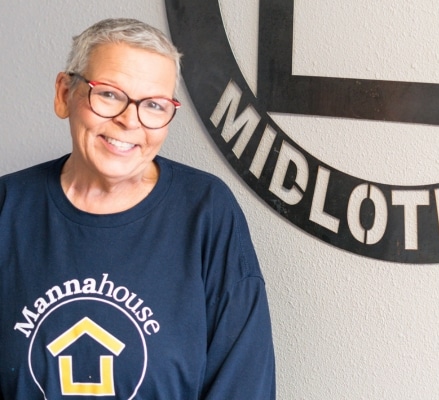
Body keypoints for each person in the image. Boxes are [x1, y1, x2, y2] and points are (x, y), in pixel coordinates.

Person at [0, 18, 275, 399]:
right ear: (65, 93)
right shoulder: (7, 208)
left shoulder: (206, 213)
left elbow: (243, 383)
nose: (130, 121)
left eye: (154, 105)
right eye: (109, 94)